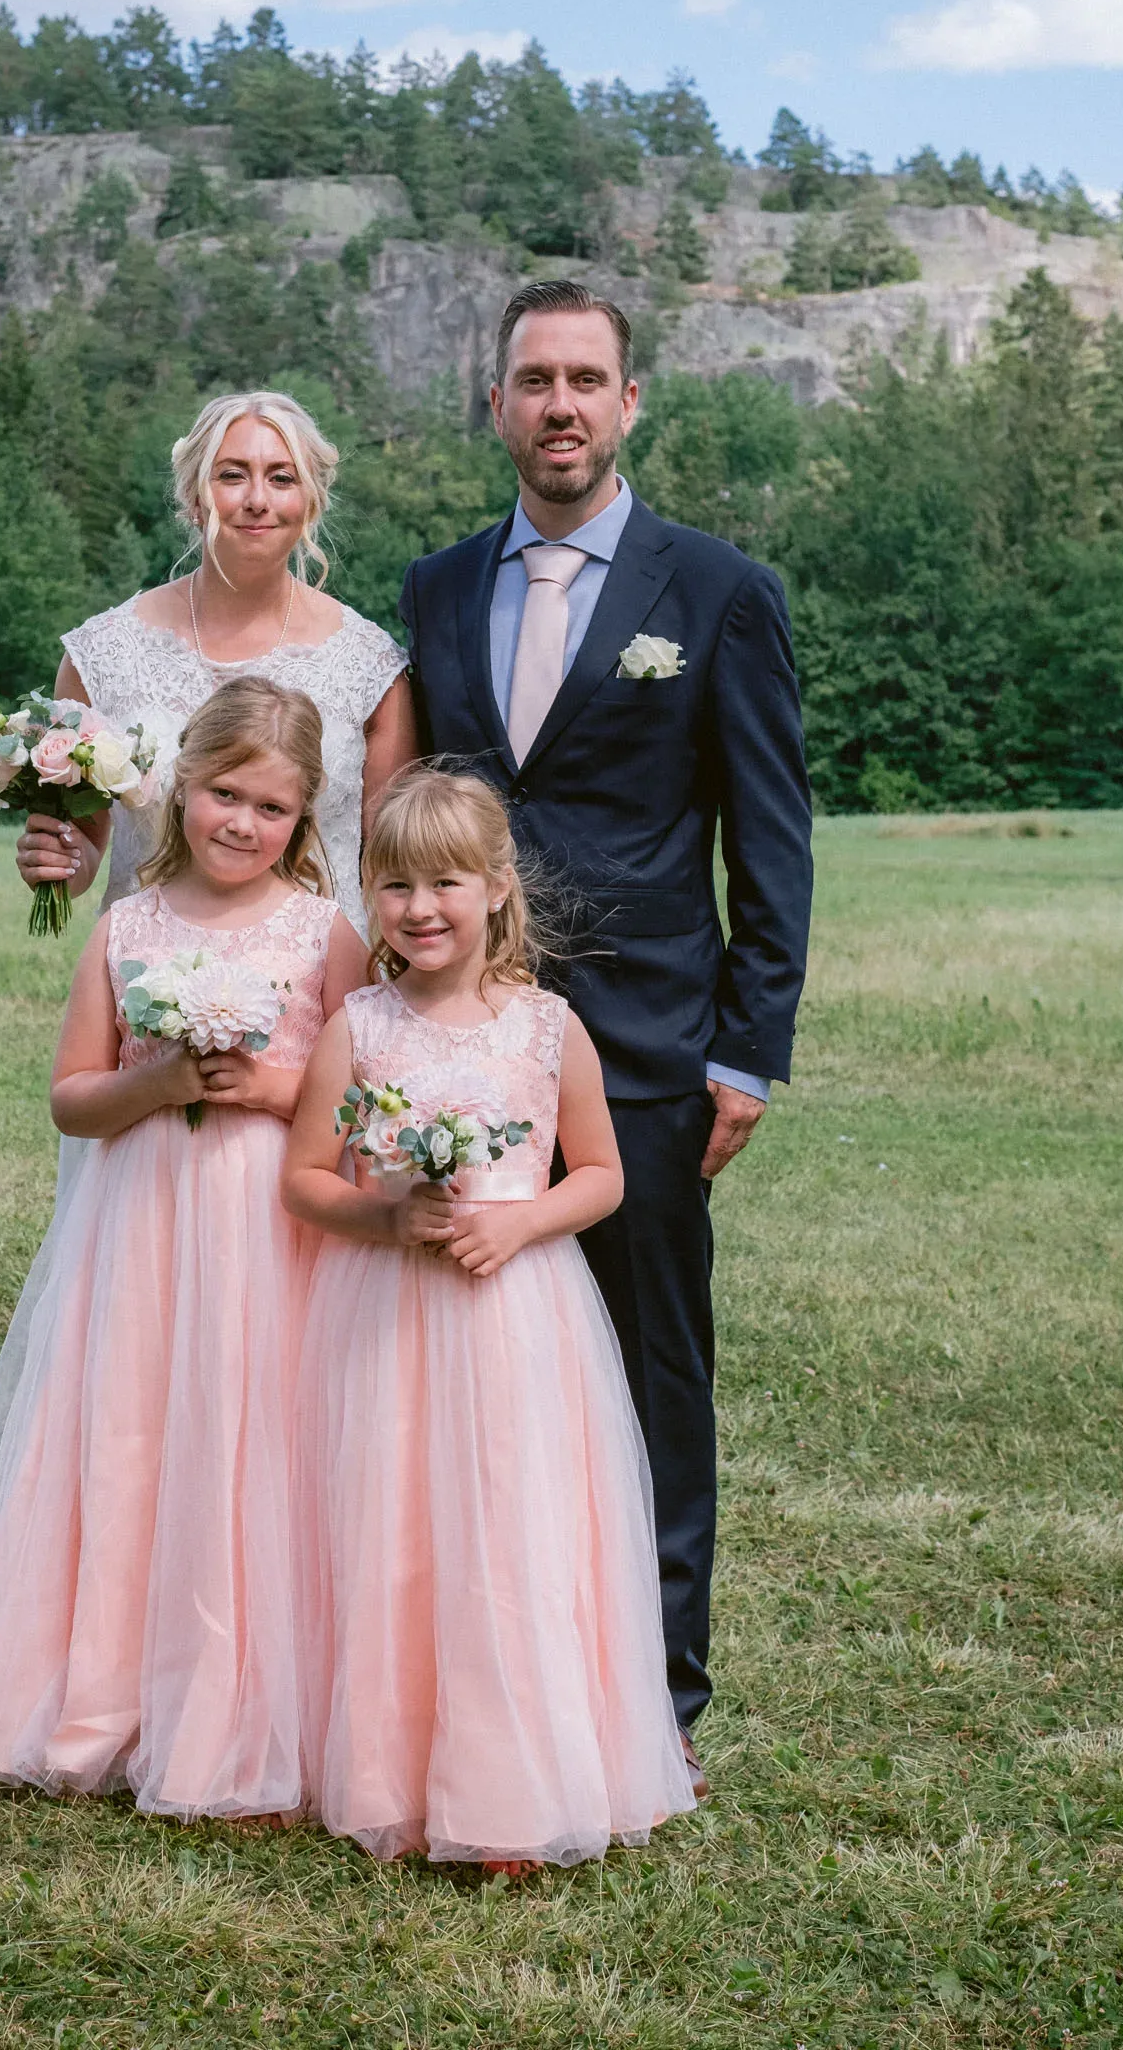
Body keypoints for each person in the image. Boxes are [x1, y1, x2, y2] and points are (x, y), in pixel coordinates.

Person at [397, 281, 814, 1777]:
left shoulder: (714, 592)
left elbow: (769, 839)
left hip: (642, 1053)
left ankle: (657, 1705)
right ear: (494, 405)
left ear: (628, 403)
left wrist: (742, 1047)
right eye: (532, 380)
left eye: (586, 379)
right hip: (465, 1042)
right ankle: (478, 1670)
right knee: (464, 1357)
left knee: (650, 1379)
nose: (558, 404)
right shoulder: (435, 588)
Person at [0, 681, 370, 1817]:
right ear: (180, 791)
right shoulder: (130, 926)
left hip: (268, 1232)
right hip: (142, 1226)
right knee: (129, 1431)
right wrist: (153, 1082)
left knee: (246, 1437)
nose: (241, 823)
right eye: (223, 794)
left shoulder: (327, 935)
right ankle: (101, 1685)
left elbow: (362, 1105)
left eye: (271, 806)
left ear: (304, 819)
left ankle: (241, 1699)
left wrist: (266, 1088)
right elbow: (71, 1097)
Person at [284, 768, 698, 1872]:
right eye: (393, 886)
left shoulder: (550, 1028)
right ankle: (390, 1769)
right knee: (395, 1527)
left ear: (499, 888)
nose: (419, 908)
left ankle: (513, 1780)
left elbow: (602, 1175)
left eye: (445, 882)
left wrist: (520, 1226)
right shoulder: (356, 1028)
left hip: (517, 1313)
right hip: (389, 1317)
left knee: (510, 1532)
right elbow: (303, 1181)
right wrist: (385, 1214)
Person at [15, 389, 416, 932]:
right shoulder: (102, 656)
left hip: (322, 983)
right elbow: (86, 849)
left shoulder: (372, 668)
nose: (257, 499)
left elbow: (392, 866)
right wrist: (58, 859)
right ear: (194, 497)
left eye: (282, 478)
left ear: (310, 500)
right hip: (151, 985)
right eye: (231, 475)